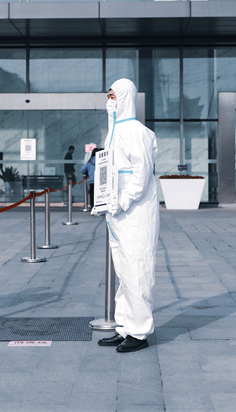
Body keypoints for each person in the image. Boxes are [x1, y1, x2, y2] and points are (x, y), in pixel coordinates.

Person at [93, 78, 160, 353]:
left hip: (135, 213)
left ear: (125, 98)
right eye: (108, 96)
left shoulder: (136, 131)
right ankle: (124, 327)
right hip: (117, 214)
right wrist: (106, 202)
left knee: (137, 270)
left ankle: (139, 332)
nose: (110, 102)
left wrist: (122, 200)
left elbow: (141, 173)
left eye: (114, 96)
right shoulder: (113, 132)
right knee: (123, 272)